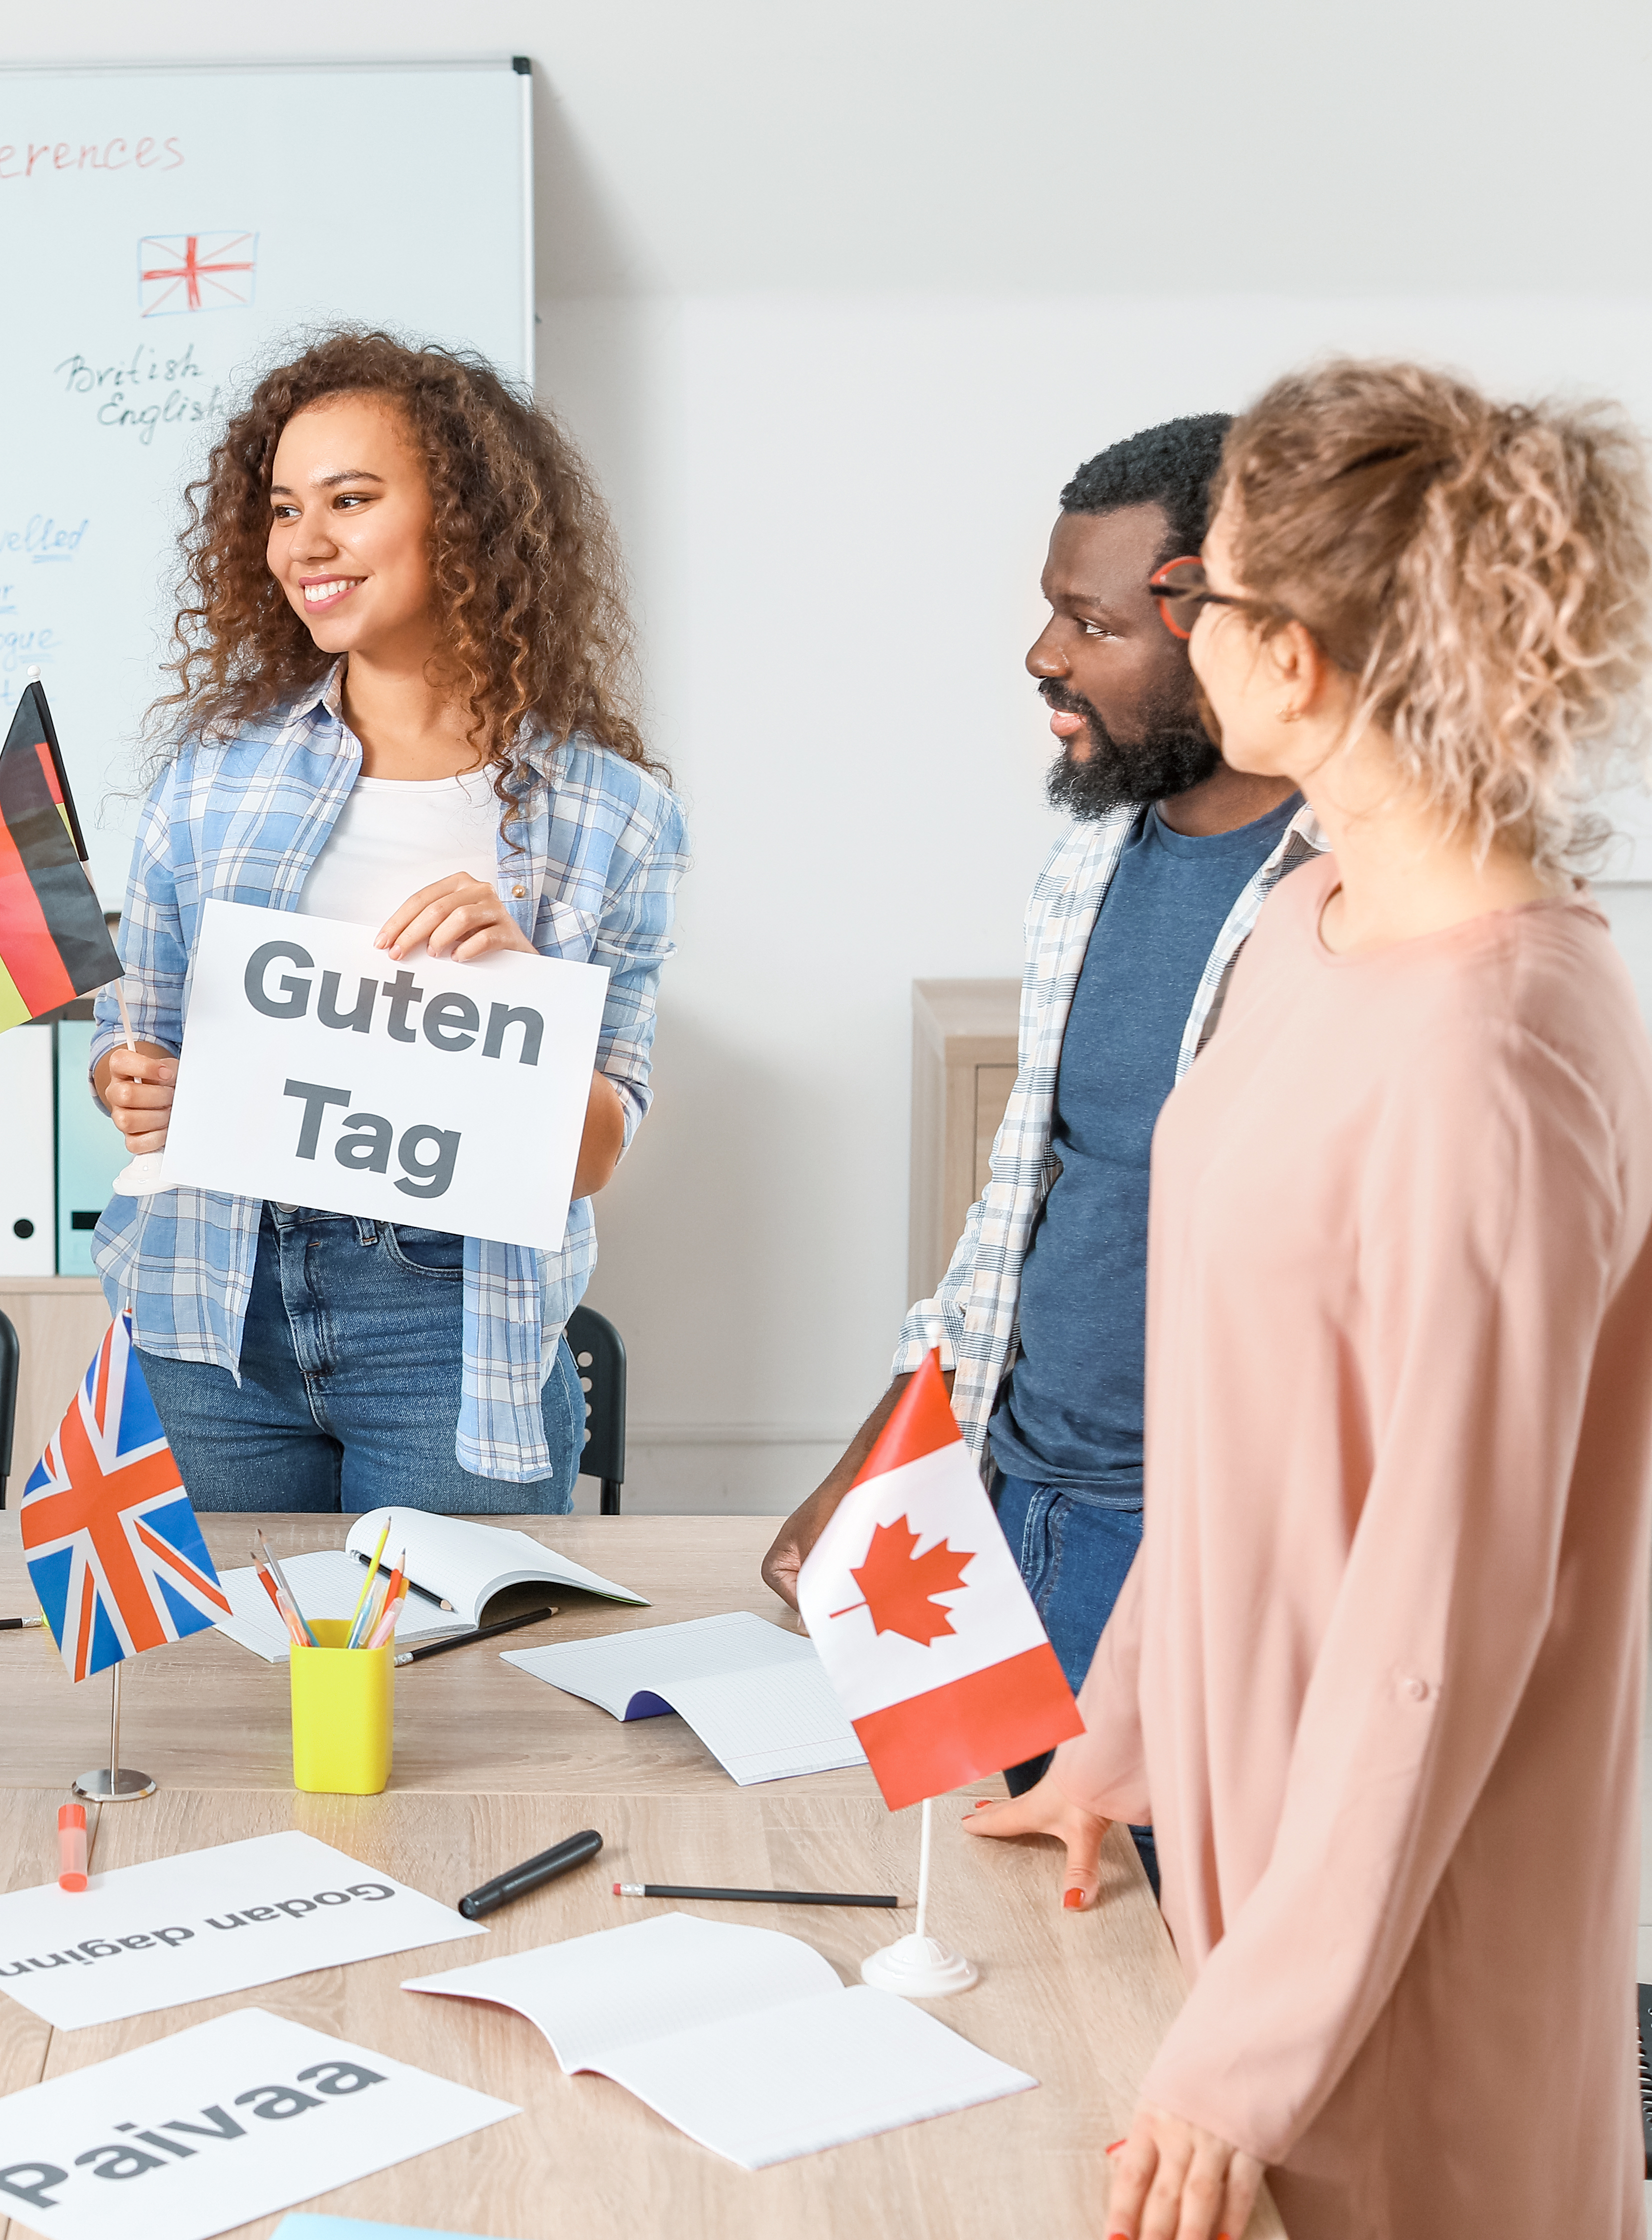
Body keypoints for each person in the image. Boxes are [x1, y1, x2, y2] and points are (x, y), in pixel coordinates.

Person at [971, 360, 1652, 2240]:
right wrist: (1118, 1734)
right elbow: (1240, 1434)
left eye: (1217, 595)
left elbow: (1445, 1611)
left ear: (1311, 657)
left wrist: (1247, 2048)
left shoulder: (1494, 1050)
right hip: (1243, 1852)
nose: (1187, 633)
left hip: (1392, 1927)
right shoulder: (1307, 919)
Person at [762, 417, 1310, 1802]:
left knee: (1161, 1959)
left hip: (1204, 1553)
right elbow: (1022, 1196)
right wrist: (875, 1457)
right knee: (998, 1942)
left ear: (1224, 626)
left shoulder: (1345, 900)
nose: (1045, 657)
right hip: (1014, 1509)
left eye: (1090, 622)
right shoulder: (1091, 858)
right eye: (1051, 613)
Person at [87, 330, 685, 1512]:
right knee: (218, 1687)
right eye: (283, 507)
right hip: (215, 1311)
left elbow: (593, 1154)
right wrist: (132, 1081)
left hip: (452, 1328)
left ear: (463, 519)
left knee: (447, 1691)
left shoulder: (614, 817)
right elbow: (133, 1045)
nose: (305, 543)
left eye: (351, 501)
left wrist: (521, 994)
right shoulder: (212, 782)